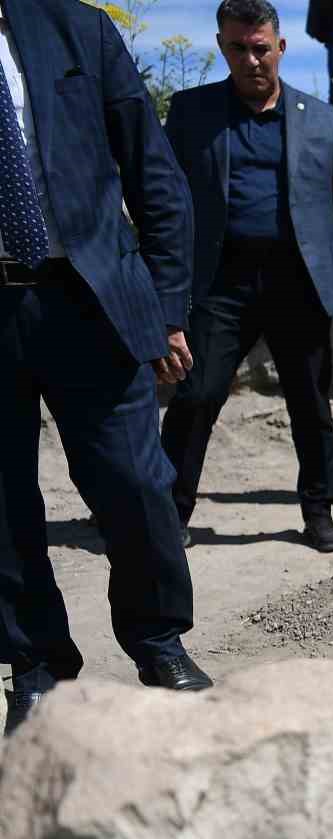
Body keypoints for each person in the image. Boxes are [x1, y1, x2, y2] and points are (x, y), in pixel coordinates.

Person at [2, 0, 212, 732]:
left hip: (89, 297)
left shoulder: (80, 29)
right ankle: (36, 664)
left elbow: (154, 172)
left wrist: (169, 306)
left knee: (136, 481)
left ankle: (158, 639)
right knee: (3, 503)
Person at [161, 0, 333, 554]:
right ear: (221, 47)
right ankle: (168, 510)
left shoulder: (321, 119)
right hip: (220, 283)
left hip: (298, 282)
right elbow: (162, 200)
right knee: (196, 396)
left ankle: (319, 513)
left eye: (262, 48)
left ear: (281, 48)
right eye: (239, 48)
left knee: (310, 404)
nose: (252, 60)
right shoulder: (191, 113)